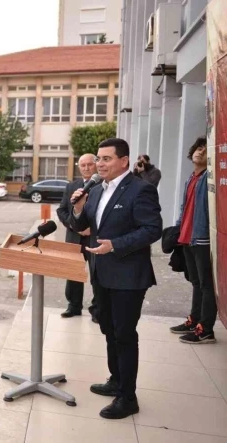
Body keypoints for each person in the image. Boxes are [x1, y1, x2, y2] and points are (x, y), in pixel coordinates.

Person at [69, 138, 162, 420]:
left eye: (106, 159)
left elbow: (152, 229)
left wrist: (117, 245)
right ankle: (116, 380)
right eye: (98, 159)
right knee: (108, 328)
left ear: (123, 161)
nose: (99, 164)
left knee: (124, 334)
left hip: (128, 275)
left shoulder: (140, 189)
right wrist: (76, 208)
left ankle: (127, 397)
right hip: (102, 273)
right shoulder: (96, 190)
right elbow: (81, 225)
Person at [170, 137, 216, 344]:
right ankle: (194, 320)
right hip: (187, 238)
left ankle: (206, 329)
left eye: (206, 150)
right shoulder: (192, 177)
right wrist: (179, 230)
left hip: (202, 239)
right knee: (196, 282)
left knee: (206, 285)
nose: (200, 152)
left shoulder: (208, 177)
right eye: (198, 148)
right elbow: (184, 207)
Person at [56, 154, 98, 320]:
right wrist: (75, 225)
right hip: (74, 238)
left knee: (97, 274)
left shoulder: (103, 186)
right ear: (78, 167)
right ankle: (73, 306)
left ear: (95, 165)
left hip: (95, 239)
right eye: (83, 165)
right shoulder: (72, 186)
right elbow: (62, 210)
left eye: (89, 164)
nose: (86, 168)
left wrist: (90, 228)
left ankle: (98, 310)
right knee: (73, 274)